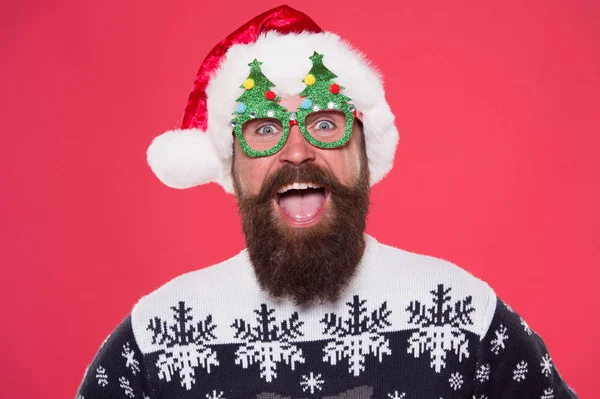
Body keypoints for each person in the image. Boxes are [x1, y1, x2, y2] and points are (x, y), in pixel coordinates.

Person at [75, 5, 577, 399]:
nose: (297, 151)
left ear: (363, 149)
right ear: (232, 164)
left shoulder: (462, 317)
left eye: (324, 124)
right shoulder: (158, 336)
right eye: (266, 129)